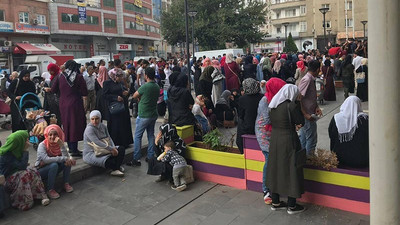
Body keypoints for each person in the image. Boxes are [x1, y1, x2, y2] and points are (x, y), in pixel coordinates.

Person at [267, 84, 306, 214]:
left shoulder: (273, 105)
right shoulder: (291, 106)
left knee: (275, 169)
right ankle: (292, 205)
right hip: (289, 139)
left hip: (275, 139)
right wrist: (299, 103)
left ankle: (276, 201)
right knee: (292, 169)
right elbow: (301, 121)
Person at [255, 78, 286, 205]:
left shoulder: (277, 99)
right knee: (269, 159)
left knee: (274, 159)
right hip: (264, 134)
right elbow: (267, 119)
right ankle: (266, 190)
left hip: (274, 132)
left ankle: (274, 186)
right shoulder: (265, 100)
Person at [0, 130, 50, 210]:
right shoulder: (5, 154)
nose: (28, 141)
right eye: (25, 140)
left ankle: (41, 196)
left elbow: (22, 165)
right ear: (19, 142)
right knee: (24, 174)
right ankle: (24, 202)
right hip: (7, 179)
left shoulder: (16, 149)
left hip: (17, 174)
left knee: (32, 170)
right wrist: (25, 150)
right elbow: (22, 166)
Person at [50, 60, 88, 157]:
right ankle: (74, 149)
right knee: (75, 125)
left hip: (63, 104)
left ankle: (70, 147)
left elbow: (53, 89)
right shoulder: (79, 77)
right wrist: (85, 105)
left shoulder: (60, 76)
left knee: (67, 124)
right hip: (75, 103)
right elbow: (84, 92)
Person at [128, 67, 160, 167]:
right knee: (151, 135)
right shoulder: (156, 86)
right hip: (153, 114)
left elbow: (134, 95)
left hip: (144, 114)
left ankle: (136, 158)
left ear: (146, 76)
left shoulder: (145, 86)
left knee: (138, 136)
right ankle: (150, 156)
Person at [35, 124, 75, 199]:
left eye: (55, 134)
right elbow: (46, 160)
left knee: (67, 161)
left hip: (54, 168)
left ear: (59, 134)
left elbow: (66, 157)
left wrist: (61, 145)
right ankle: (50, 189)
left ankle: (66, 183)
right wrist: (62, 158)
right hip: (41, 170)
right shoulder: (42, 145)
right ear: (47, 135)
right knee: (54, 165)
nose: (52, 137)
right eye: (50, 134)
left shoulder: (59, 144)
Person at [329, 96, 369, 168]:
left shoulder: (336, 119)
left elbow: (332, 135)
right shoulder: (365, 119)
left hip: (340, 159)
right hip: (362, 160)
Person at [83, 110, 126, 176]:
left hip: (105, 149)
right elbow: (97, 142)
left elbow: (109, 137)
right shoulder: (89, 129)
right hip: (92, 153)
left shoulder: (103, 126)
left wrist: (114, 147)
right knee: (107, 161)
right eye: (92, 119)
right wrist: (111, 149)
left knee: (121, 149)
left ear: (100, 118)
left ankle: (116, 168)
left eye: (97, 119)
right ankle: (115, 168)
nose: (94, 121)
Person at [103, 68, 133, 148]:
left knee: (124, 124)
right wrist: (115, 97)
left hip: (123, 106)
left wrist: (127, 93)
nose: (120, 78)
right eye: (119, 76)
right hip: (114, 107)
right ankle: (115, 142)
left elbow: (126, 89)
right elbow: (105, 95)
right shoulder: (107, 83)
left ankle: (125, 142)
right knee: (115, 125)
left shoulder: (121, 82)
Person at [298, 60, 323, 156]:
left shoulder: (310, 79)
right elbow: (298, 98)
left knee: (304, 139)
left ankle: (303, 159)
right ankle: (309, 160)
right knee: (311, 140)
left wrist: (316, 106)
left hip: (310, 112)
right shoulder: (307, 79)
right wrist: (305, 114)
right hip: (307, 114)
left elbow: (310, 96)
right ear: (317, 69)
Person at [236, 78, 263, 153]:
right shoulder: (262, 97)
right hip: (261, 125)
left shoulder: (242, 99)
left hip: (248, 127)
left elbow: (241, 115)